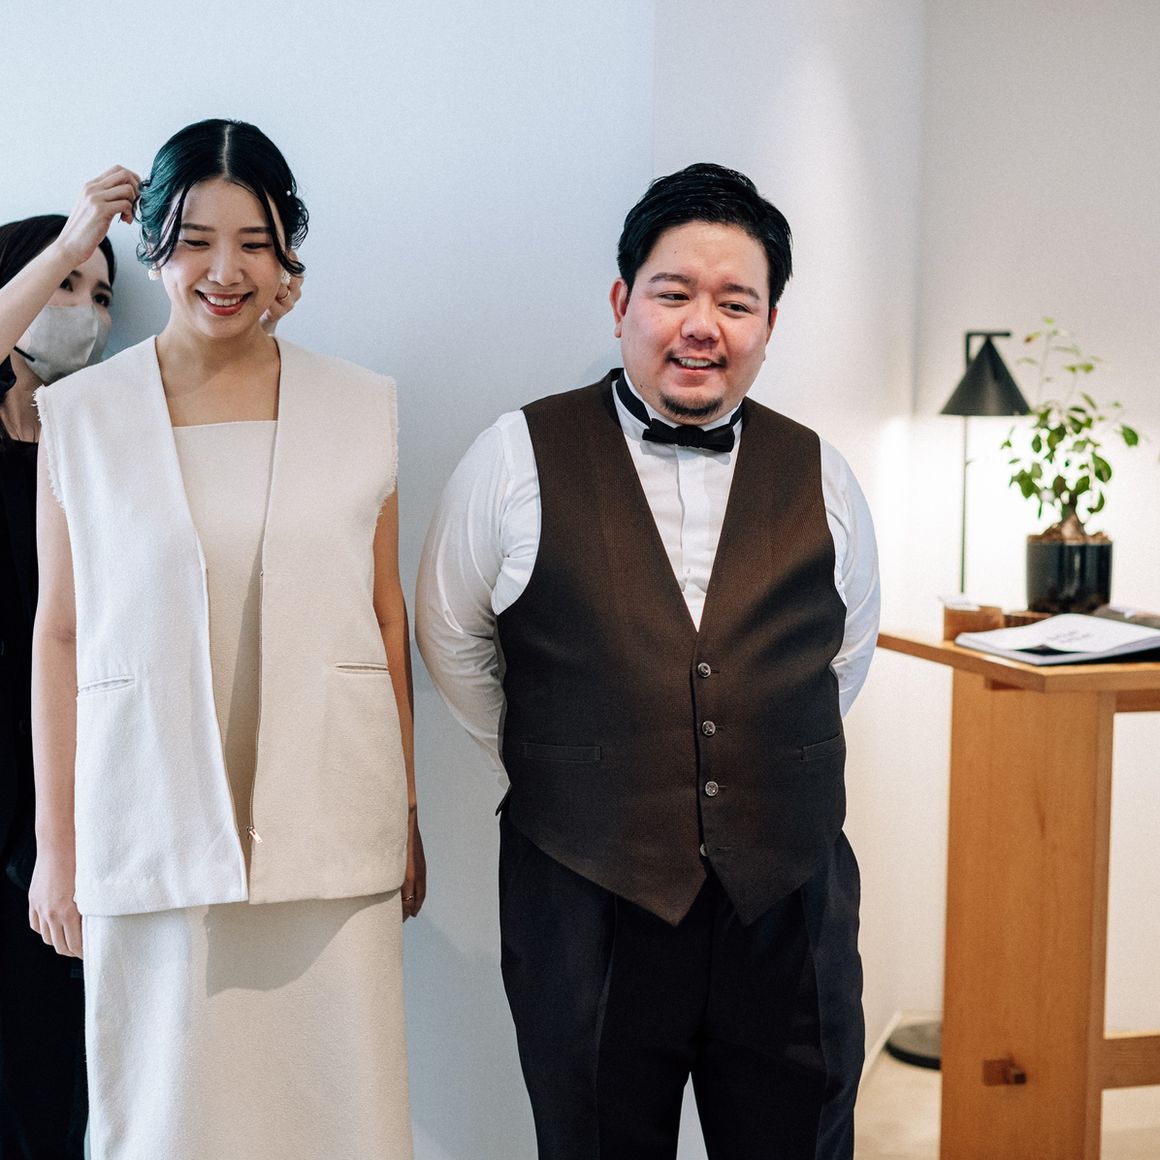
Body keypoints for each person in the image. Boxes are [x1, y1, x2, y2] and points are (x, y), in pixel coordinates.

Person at [416, 162, 879, 1159]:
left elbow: (843, 657)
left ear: (768, 324)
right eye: (674, 293)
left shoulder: (824, 475)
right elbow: (451, 639)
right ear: (623, 300)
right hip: (585, 899)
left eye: (735, 303)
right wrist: (572, 762)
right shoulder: (513, 457)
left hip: (787, 902)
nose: (701, 325)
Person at [29, 119, 422, 1159]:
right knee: (165, 1112)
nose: (225, 269)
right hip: (146, 819)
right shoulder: (82, 417)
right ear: (154, 243)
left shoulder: (362, 407)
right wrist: (58, 849)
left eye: (254, 241)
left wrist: (408, 812)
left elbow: (385, 615)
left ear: (288, 252)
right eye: (196, 239)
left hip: (331, 821)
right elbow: (60, 633)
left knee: (335, 1107)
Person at [0, 172, 131, 1159]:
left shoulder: (96, 444)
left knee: (57, 1079)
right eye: (66, 285)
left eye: (101, 294)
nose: (83, 306)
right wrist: (72, 236)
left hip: (67, 790)